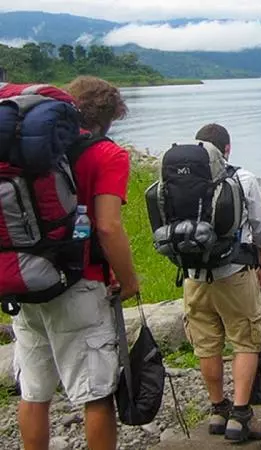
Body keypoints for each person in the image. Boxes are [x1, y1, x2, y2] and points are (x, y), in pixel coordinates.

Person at [13, 76, 139, 450]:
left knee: (34, 392)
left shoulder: (28, 147)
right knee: (95, 393)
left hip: (25, 278)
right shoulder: (107, 154)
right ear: (110, 116)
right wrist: (130, 280)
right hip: (79, 284)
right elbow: (108, 226)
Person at [180, 124, 261, 441]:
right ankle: (241, 416)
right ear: (227, 148)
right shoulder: (242, 178)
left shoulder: (181, 178)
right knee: (246, 338)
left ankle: (217, 410)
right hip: (234, 273)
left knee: (207, 344)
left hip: (193, 277)